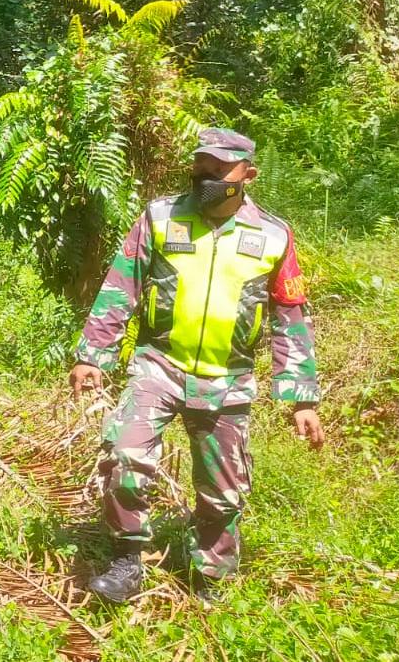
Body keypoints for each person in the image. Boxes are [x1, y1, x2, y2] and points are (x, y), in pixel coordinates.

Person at [70, 128, 323, 603]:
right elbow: (121, 284)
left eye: (219, 168)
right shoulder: (161, 217)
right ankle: (127, 558)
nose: (206, 175)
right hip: (158, 365)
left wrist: (300, 398)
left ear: (248, 174)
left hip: (228, 379)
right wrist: (93, 355)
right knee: (125, 454)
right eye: (201, 164)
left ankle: (211, 578)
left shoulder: (271, 235)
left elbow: (290, 317)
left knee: (222, 493)